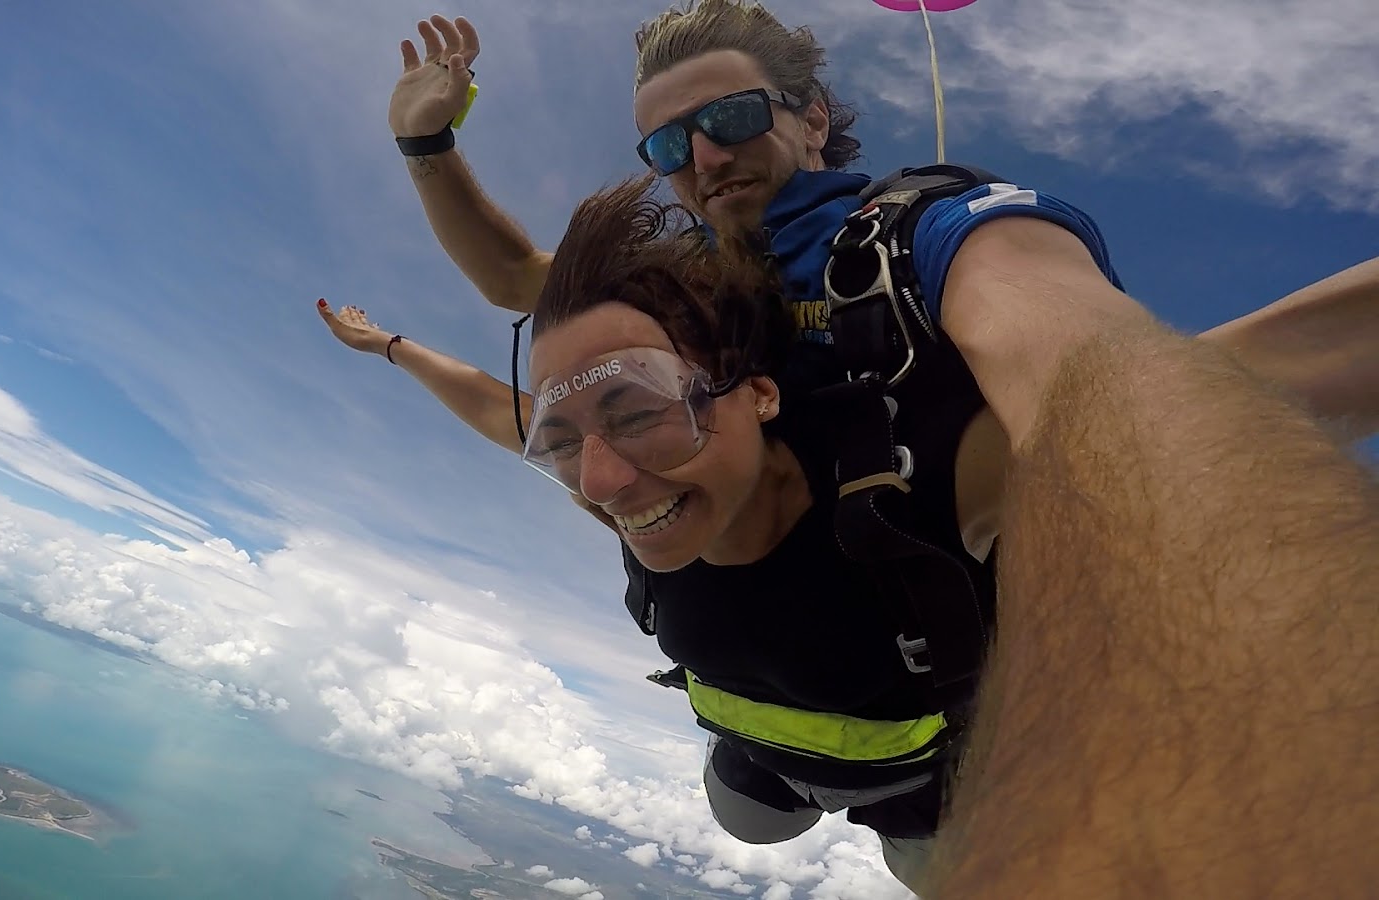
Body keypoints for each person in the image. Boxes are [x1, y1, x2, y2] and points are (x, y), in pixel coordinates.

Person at [364, 1, 1379, 893]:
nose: (702, 160)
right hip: (754, 724)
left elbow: (1096, 378)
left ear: (812, 118)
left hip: (914, 731)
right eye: (667, 146)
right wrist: (425, 147)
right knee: (751, 817)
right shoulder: (672, 295)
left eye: (729, 119)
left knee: (915, 855)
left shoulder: (923, 238)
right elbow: (515, 289)